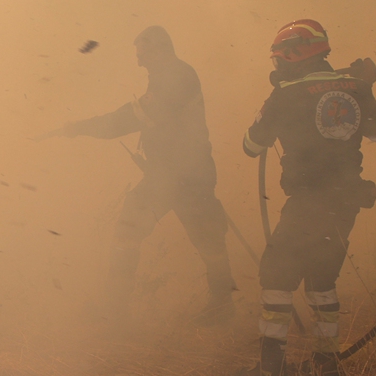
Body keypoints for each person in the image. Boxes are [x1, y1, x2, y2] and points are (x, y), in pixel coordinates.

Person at [46, 26, 236, 324]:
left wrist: (80, 127)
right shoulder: (171, 76)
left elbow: (130, 118)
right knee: (206, 238)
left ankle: (115, 313)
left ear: (159, 50)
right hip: (181, 173)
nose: (139, 62)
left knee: (149, 233)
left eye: (142, 54)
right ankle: (221, 305)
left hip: (179, 175)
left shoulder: (176, 77)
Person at [236, 19, 376, 376]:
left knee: (276, 274)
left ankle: (270, 369)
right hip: (346, 202)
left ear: (294, 54)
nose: (277, 66)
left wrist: (278, 100)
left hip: (308, 200)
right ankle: (327, 364)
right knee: (322, 277)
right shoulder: (357, 87)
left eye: (279, 59)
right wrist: (365, 86)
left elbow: (251, 145)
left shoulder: (286, 94)